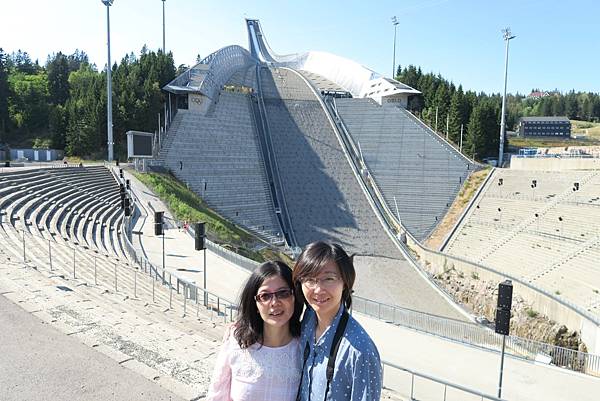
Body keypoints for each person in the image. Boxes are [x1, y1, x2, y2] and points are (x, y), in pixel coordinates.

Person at [293, 241, 382, 401]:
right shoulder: (308, 320)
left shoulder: (360, 351)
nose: (318, 289)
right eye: (310, 280)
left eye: (328, 278)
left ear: (345, 283)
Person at [206, 261, 303, 401]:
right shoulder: (236, 342)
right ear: (256, 305)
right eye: (265, 296)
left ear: (294, 297)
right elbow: (216, 396)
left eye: (283, 293)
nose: (275, 302)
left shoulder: (305, 348)